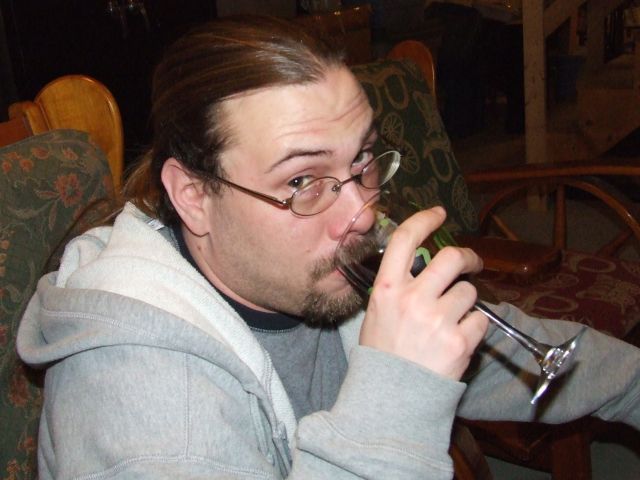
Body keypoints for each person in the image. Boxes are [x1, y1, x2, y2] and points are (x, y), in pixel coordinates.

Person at [17, 15, 640, 480]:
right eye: (301, 181)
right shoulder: (150, 419)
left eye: (363, 160)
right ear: (194, 196)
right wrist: (399, 395)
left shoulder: (315, 268)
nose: (361, 214)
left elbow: (501, 355)